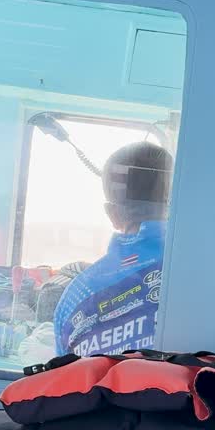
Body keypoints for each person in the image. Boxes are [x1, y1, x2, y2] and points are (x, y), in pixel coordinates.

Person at [53, 142, 172, 356]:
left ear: (112, 214)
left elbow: (61, 372)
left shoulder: (75, 296)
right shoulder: (201, 275)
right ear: (175, 203)